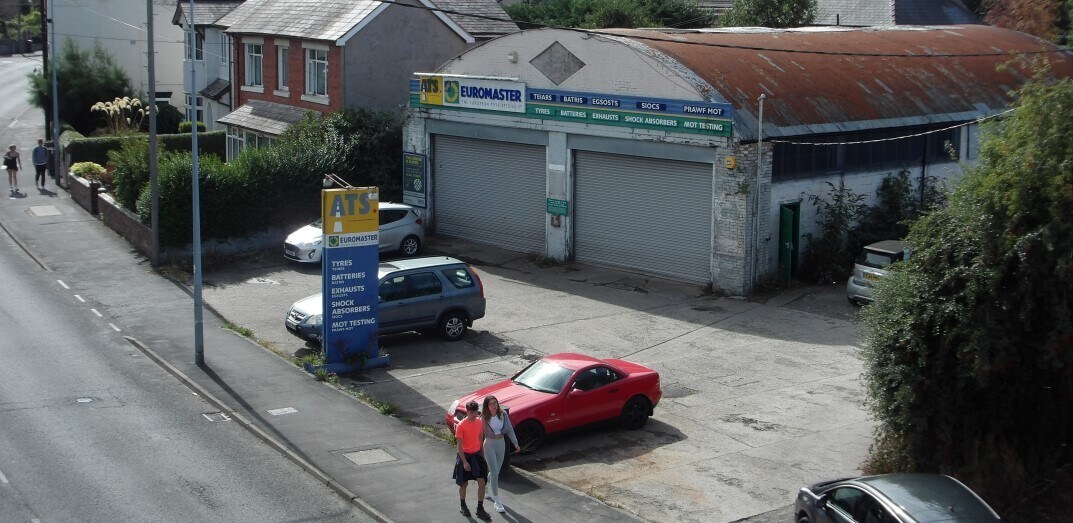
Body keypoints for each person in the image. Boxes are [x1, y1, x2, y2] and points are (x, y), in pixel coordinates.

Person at [453, 400, 491, 520]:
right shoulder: (461, 426)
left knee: (482, 483)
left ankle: (480, 509)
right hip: (465, 456)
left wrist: (482, 453)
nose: (474, 415)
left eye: (476, 412)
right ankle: (463, 505)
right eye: (472, 412)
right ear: (467, 411)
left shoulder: (479, 422)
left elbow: (480, 437)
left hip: (477, 456)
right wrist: (464, 462)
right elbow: (459, 446)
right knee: (464, 484)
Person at [481, 395, 519, 513]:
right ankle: (497, 501)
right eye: (491, 404)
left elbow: (510, 429)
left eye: (495, 403)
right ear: (487, 406)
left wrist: (515, 443)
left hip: (501, 444)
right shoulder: (483, 417)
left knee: (495, 471)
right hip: (489, 445)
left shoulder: (503, 415)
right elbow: (479, 433)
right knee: (494, 472)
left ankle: (486, 487)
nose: (493, 406)